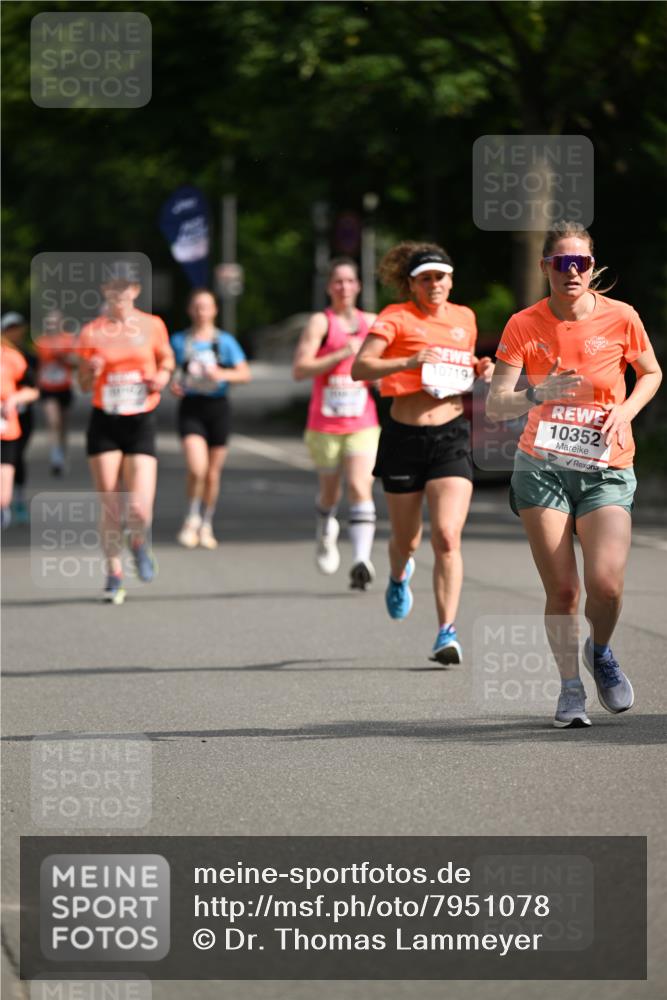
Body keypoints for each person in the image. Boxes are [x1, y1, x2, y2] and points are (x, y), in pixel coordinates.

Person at [486, 221, 662, 728]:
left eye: (581, 262)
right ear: (545, 267)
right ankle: (569, 690)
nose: (572, 271)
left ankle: (600, 651)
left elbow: (651, 372)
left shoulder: (621, 317)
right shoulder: (524, 324)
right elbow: (497, 405)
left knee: (605, 585)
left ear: (592, 267)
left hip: (606, 466)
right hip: (543, 467)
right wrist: (536, 394)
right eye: (562, 263)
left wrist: (626, 411)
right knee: (564, 591)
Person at [351, 242, 494, 657]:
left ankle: (446, 631)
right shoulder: (395, 317)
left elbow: (460, 365)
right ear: (412, 284)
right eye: (425, 278)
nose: (435, 284)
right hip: (403, 437)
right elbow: (360, 367)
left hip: (450, 435)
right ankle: (399, 575)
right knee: (407, 540)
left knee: (448, 537)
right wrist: (408, 360)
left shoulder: (463, 317)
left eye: (441, 277)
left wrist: (479, 367)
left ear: (451, 281)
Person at [77, 268, 175, 604]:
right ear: (104, 290)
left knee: (139, 508)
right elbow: (83, 384)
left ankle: (137, 541)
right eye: (112, 287)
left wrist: (161, 377)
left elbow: (167, 361)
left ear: (135, 290)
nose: (118, 294)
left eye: (125, 287)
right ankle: (114, 573)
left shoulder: (152, 325)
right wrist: (90, 371)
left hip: (141, 420)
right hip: (105, 420)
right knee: (110, 505)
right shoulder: (92, 331)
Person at [293, 257, 380, 589]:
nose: (344, 287)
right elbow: (300, 369)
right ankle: (326, 524)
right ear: (330, 287)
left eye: (349, 281)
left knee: (360, 486)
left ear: (358, 285)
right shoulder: (321, 322)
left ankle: (361, 559)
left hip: (363, 421)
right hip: (325, 424)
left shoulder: (371, 322)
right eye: (337, 282)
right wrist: (342, 353)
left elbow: (383, 368)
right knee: (330, 493)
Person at [170, 289, 251, 549]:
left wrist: (222, 375)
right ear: (189, 310)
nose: (200, 312)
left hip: (218, 408)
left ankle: (206, 522)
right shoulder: (179, 341)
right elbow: (169, 372)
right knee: (197, 468)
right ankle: (191, 517)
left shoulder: (224, 342)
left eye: (205, 307)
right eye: (196, 307)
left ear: (214, 310)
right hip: (191, 407)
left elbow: (244, 374)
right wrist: (173, 385)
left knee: (213, 474)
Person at [1, 327, 39, 529]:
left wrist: (14, 398)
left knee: (2, 497)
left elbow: (32, 389)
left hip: (6, 431)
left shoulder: (12, 358)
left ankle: (7, 506)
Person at [35, 309, 78, 475]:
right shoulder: (41, 341)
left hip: (64, 387)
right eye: (49, 322)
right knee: (53, 421)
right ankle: (55, 457)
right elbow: (38, 365)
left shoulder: (68, 340)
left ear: (61, 323)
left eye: (54, 322)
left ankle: (62, 453)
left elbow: (77, 362)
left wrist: (63, 357)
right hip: (48, 388)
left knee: (64, 426)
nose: (51, 325)